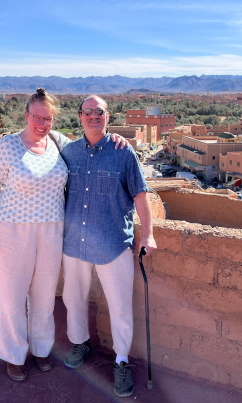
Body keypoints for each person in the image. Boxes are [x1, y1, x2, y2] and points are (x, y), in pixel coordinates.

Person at [0, 88, 129, 382]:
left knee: (45, 297)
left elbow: (90, 147)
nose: (42, 123)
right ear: (26, 115)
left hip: (51, 232)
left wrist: (116, 139)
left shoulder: (58, 143)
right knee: (12, 299)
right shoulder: (8, 146)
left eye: (47, 118)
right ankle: (13, 355)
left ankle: (41, 350)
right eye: (37, 117)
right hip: (13, 231)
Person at [60, 95, 157, 398]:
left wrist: (148, 233)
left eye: (98, 112)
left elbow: (140, 194)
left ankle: (122, 361)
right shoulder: (68, 153)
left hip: (113, 244)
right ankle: (80, 342)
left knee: (120, 308)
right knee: (73, 299)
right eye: (87, 112)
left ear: (107, 116)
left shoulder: (123, 152)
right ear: (80, 117)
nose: (93, 117)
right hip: (75, 244)